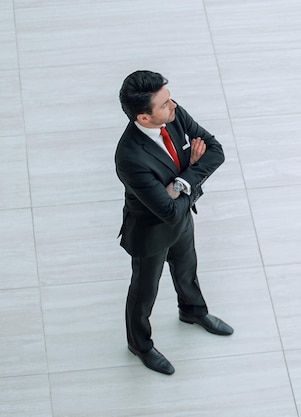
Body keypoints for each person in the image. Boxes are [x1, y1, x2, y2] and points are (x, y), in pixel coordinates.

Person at [115, 70, 233, 375]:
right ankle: (139, 344)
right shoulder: (129, 157)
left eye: (170, 98)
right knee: (144, 292)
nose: (174, 106)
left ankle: (192, 312)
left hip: (182, 217)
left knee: (187, 269)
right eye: (164, 104)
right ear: (143, 118)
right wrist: (193, 172)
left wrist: (183, 180)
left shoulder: (174, 115)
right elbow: (165, 211)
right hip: (150, 233)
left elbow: (216, 151)